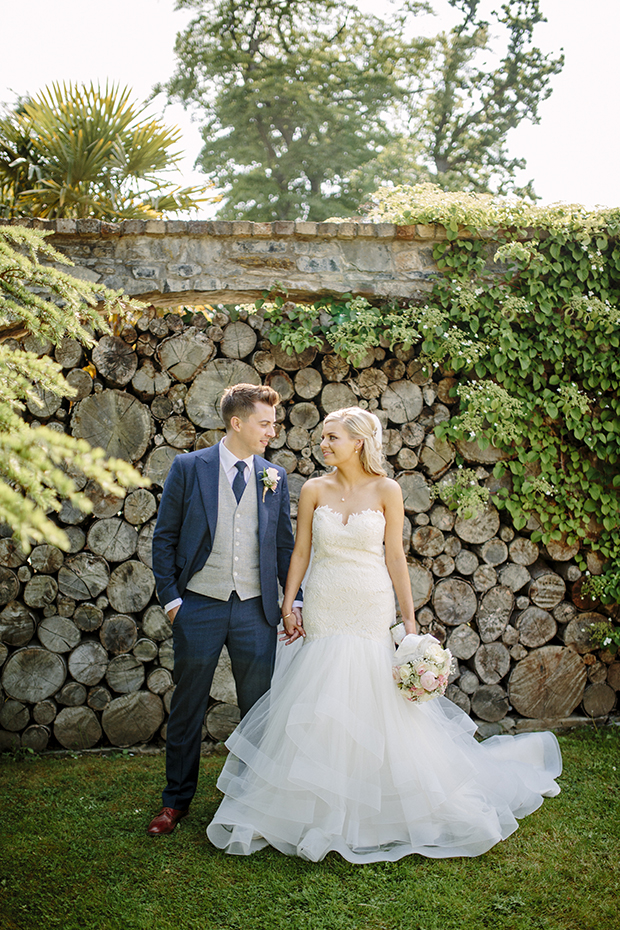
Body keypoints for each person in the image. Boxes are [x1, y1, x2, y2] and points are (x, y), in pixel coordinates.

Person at [207, 406, 562, 863]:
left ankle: (382, 802)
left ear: (358, 441)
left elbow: (395, 556)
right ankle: (317, 802)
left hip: (371, 601)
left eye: (332, 437)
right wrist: (288, 602)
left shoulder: (387, 489)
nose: (323, 444)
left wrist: (410, 621)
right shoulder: (313, 488)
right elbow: (300, 551)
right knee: (323, 688)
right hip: (325, 599)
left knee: (372, 689)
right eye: (322, 437)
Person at [147, 383, 302, 836]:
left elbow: (284, 546)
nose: (273, 431)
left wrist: (291, 601)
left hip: (256, 611)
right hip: (198, 605)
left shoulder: (274, 474)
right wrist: (173, 600)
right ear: (237, 422)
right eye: (265, 423)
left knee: (258, 709)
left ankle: (253, 800)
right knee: (188, 706)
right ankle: (175, 802)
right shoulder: (189, 468)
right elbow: (164, 537)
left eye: (273, 424)